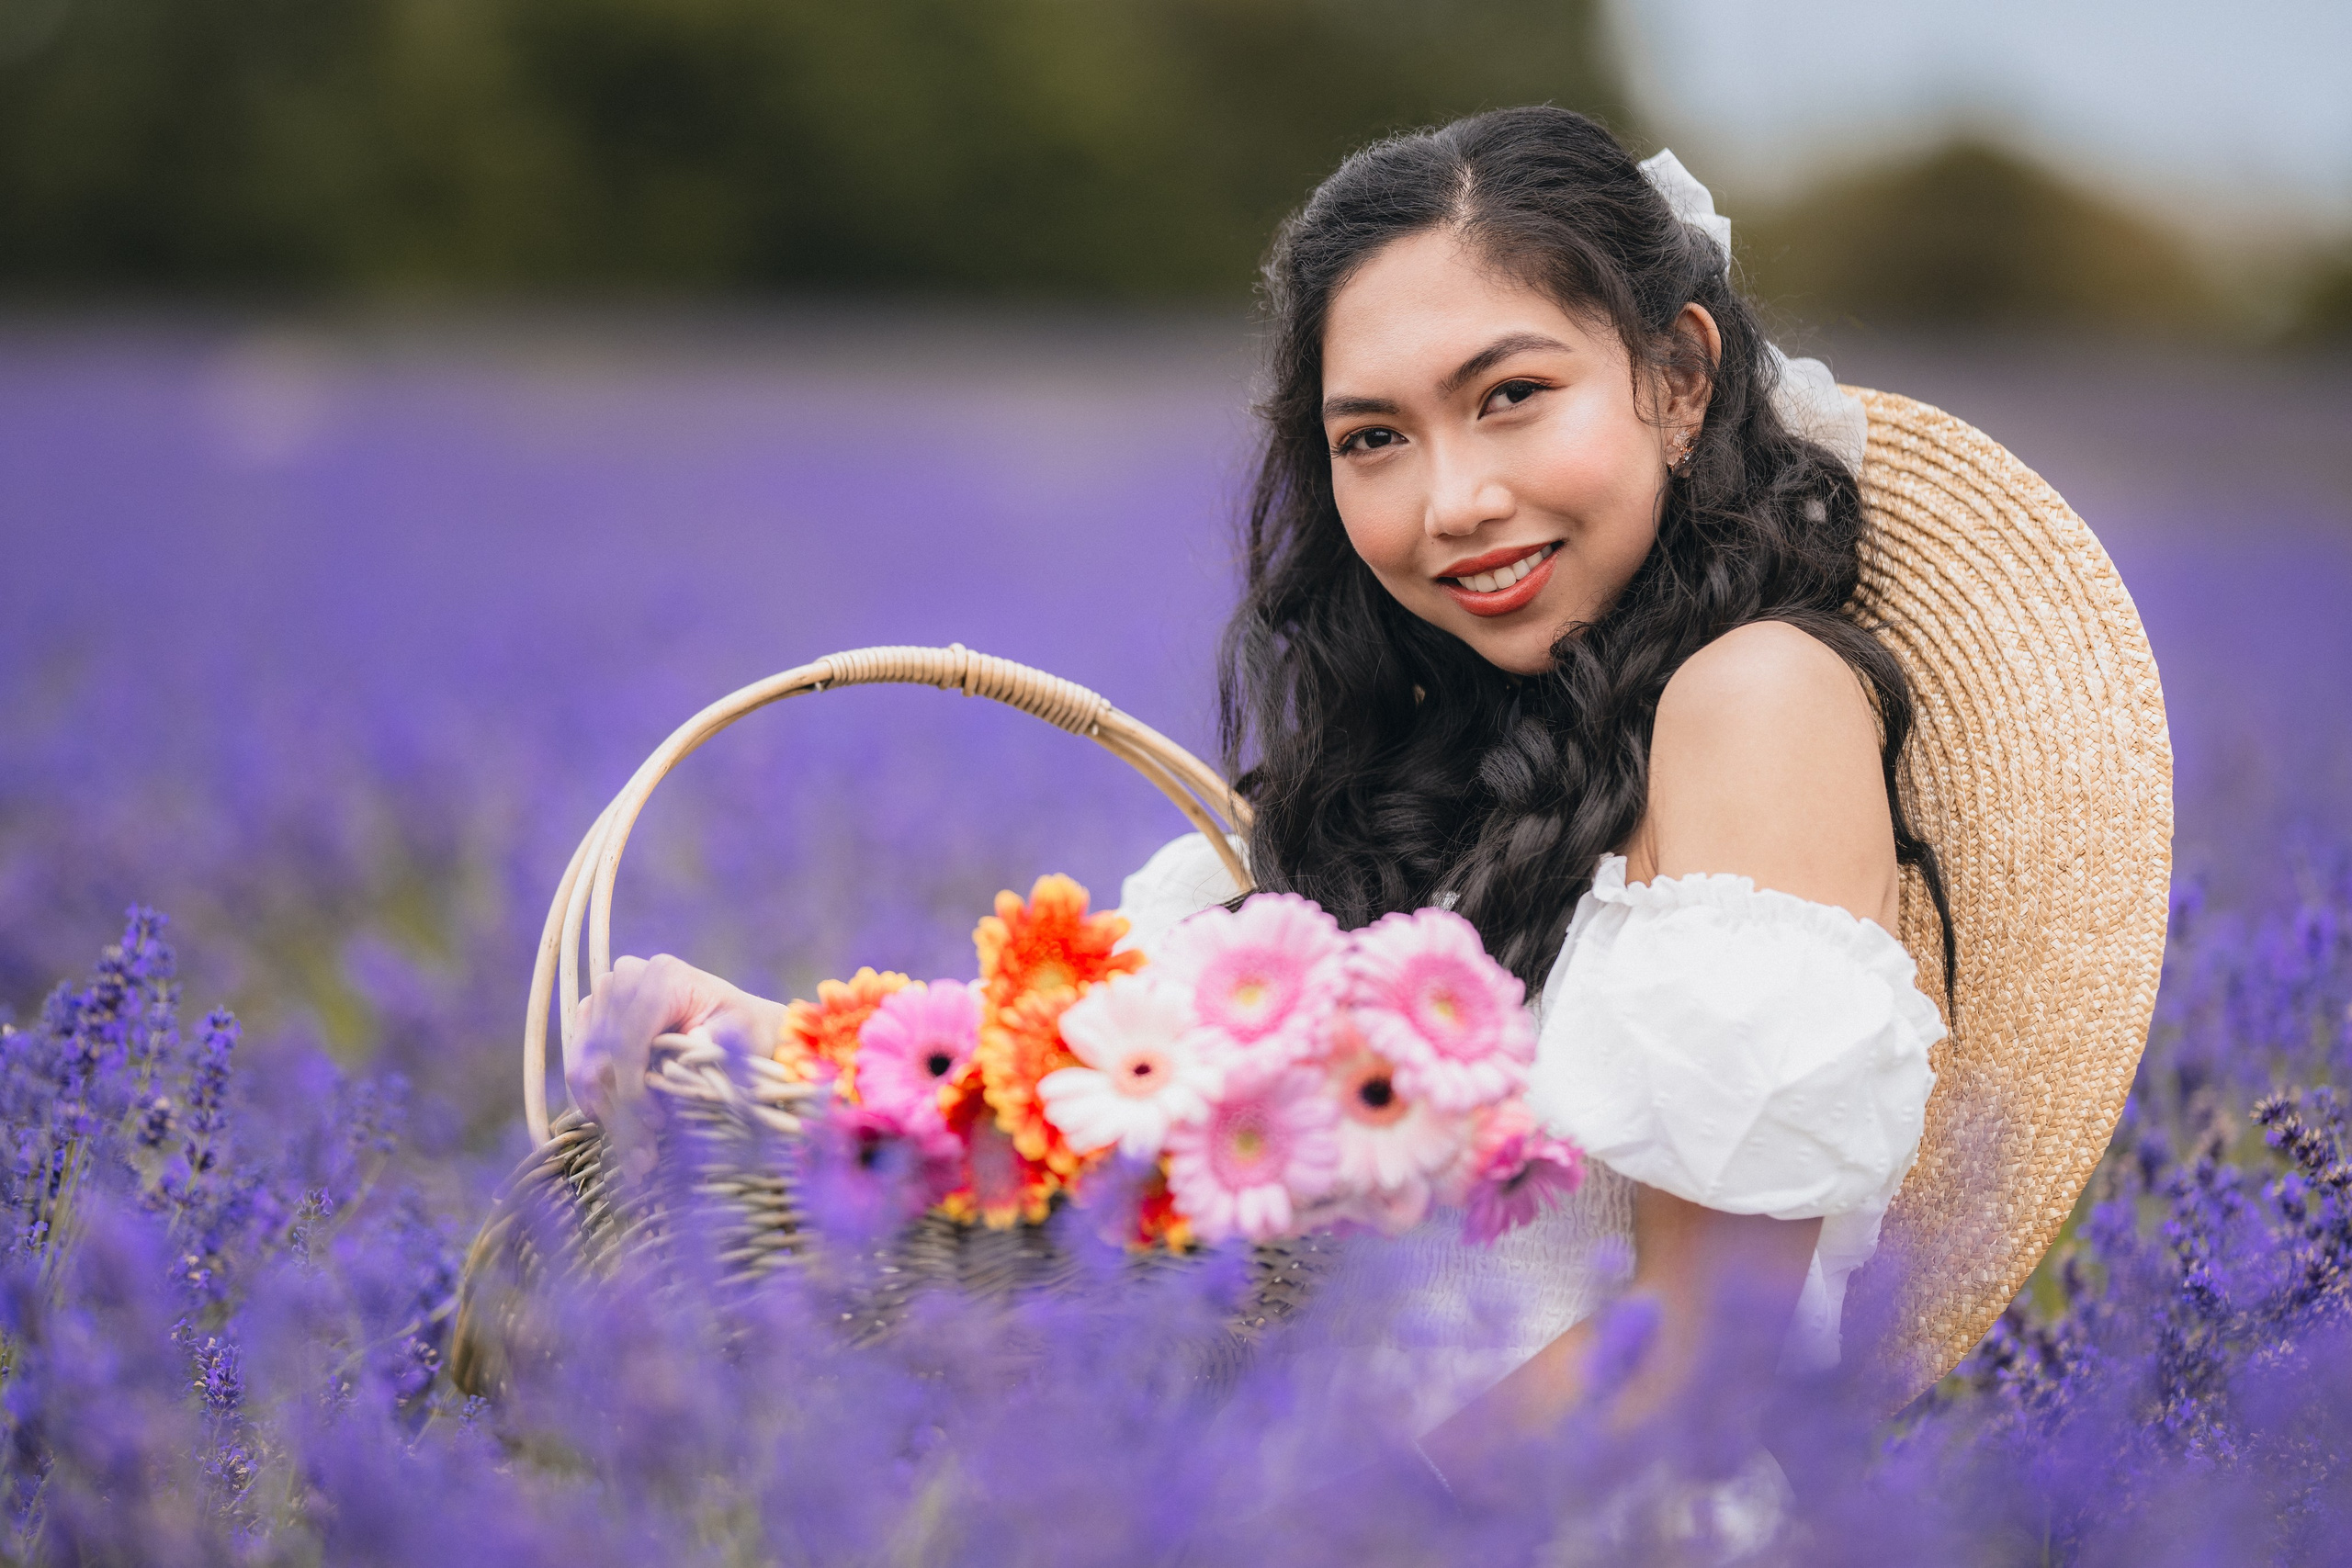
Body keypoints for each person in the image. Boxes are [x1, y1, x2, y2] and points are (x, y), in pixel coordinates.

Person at [568, 106, 1948, 1509]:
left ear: (1678, 378)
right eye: (1373, 439)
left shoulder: (1756, 697)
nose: (1453, 501)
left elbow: (1705, 1346)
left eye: (1512, 395)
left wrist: (1330, 1526)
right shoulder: (1446, 739)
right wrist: (781, 1052)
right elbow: (1105, 1089)